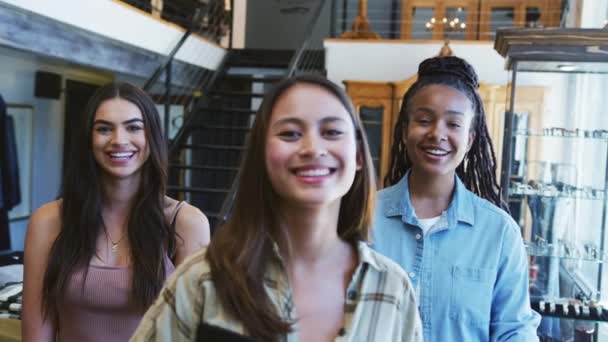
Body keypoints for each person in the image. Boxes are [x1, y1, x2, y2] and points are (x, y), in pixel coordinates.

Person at [131, 75, 422, 342]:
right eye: (290, 133)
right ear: (261, 154)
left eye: (332, 131)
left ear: (358, 155)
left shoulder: (392, 289)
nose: (312, 148)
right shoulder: (203, 280)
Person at [22, 82, 210, 341]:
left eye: (133, 127)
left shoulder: (186, 223)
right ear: (89, 139)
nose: (119, 140)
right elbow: (37, 331)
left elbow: (190, 333)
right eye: (104, 129)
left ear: (151, 136)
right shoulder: (48, 221)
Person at [373, 56, 541, 341]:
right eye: (424, 120)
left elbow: (515, 331)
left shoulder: (499, 233)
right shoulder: (362, 218)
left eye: (453, 124)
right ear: (404, 131)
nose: (437, 133)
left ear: (470, 139)